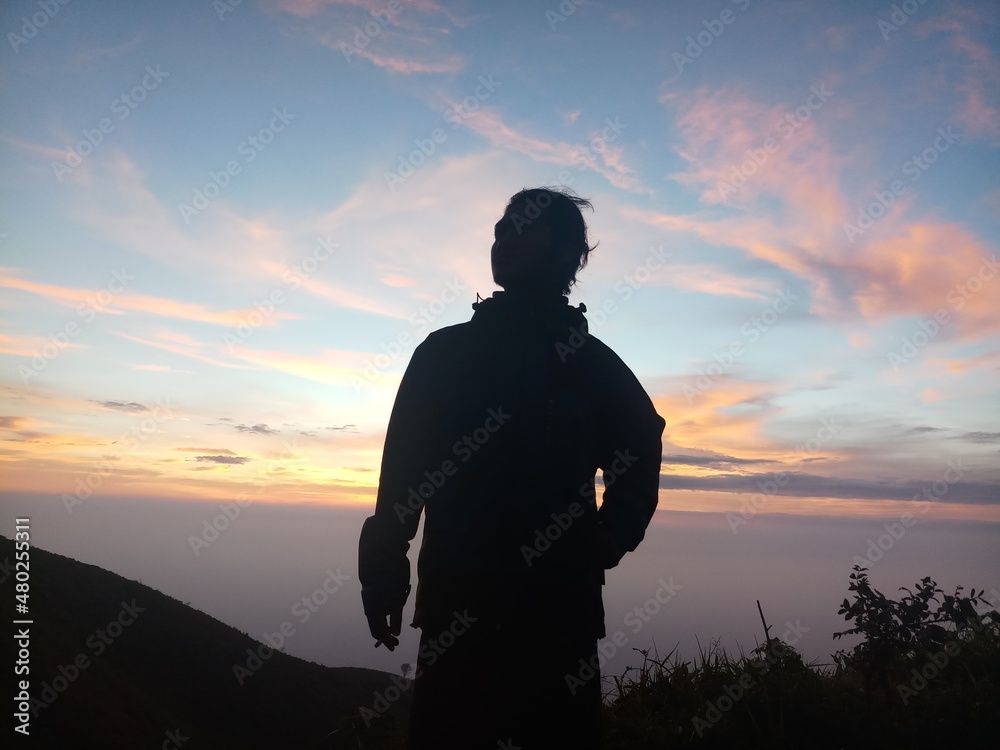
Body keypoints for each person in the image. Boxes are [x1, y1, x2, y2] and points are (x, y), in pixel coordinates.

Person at [358, 187, 665, 749]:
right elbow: (403, 471)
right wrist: (383, 568)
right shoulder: (444, 355)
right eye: (500, 229)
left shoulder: (590, 366)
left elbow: (642, 445)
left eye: (522, 227)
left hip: (558, 620)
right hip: (457, 614)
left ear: (567, 252)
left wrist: (610, 536)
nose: (503, 238)